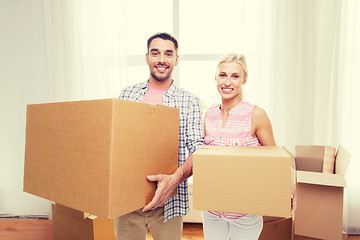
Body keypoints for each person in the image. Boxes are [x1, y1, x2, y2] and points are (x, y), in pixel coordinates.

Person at [113, 32, 204, 240]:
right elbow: (117, 143)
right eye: (155, 53)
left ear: (176, 59)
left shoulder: (189, 101)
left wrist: (175, 179)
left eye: (168, 54)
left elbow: (198, 149)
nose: (161, 59)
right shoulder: (127, 95)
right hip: (128, 203)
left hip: (168, 205)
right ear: (147, 58)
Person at [202, 53, 296, 240]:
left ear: (244, 79)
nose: (227, 82)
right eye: (223, 75)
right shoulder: (209, 115)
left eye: (235, 76)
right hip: (213, 211)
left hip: (245, 212)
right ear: (215, 77)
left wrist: (290, 188)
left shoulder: (256, 114)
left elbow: (275, 158)